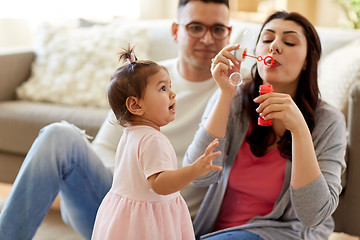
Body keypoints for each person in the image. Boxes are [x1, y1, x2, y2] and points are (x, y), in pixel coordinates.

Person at [0, 0, 232, 239]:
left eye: (217, 29)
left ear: (229, 33)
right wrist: (135, 185)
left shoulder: (236, 88)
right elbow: (104, 147)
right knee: (57, 135)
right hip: (123, 216)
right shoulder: (146, 79)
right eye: (195, 27)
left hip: (171, 224)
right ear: (176, 31)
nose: (207, 39)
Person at [183, 11, 347, 240]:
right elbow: (197, 176)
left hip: (282, 234)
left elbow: (313, 215)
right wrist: (225, 96)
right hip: (216, 233)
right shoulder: (235, 98)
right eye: (267, 39)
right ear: (256, 52)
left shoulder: (329, 122)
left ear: (308, 60)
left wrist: (299, 130)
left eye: (289, 41)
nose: (275, 46)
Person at [91, 47, 222, 240]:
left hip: (124, 216)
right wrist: (195, 169)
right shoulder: (153, 140)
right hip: (145, 224)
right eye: (162, 88)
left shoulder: (129, 134)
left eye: (170, 87)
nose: (172, 94)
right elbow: (160, 184)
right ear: (135, 105)